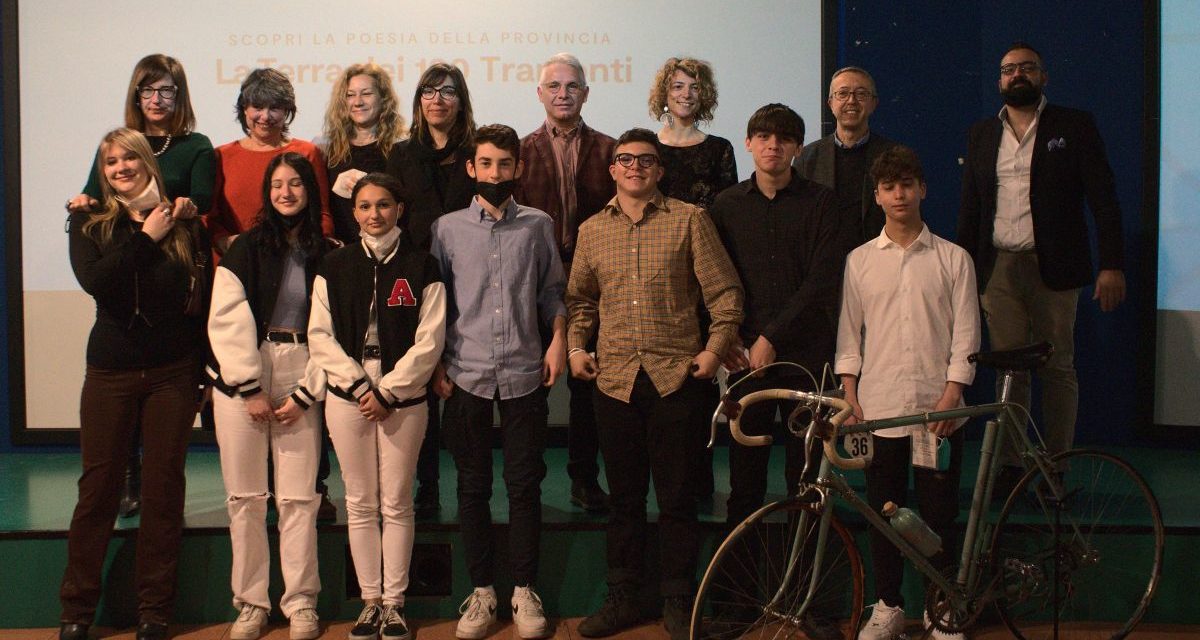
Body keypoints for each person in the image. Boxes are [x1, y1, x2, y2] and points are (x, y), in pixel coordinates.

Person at [568, 129, 744, 640]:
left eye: (647, 160)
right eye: (626, 160)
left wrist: (714, 351)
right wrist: (578, 348)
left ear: (661, 170)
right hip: (616, 383)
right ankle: (624, 597)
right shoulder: (592, 230)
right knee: (623, 500)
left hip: (678, 381)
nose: (636, 168)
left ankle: (678, 601)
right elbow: (580, 301)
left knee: (676, 499)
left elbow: (725, 293)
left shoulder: (691, 220)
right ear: (613, 169)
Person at [60, 128, 210, 640]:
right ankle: (76, 613)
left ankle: (154, 611)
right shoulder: (87, 221)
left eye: (128, 158)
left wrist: (203, 373)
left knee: (164, 492)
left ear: (148, 161)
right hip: (110, 372)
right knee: (98, 492)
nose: (120, 168)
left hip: (173, 373)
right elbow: (102, 284)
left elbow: (200, 305)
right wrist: (147, 238)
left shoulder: (185, 223)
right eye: (110, 163)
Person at [958, 42, 1125, 491]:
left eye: (1026, 68)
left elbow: (1104, 198)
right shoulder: (981, 134)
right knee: (1010, 371)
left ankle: (1056, 467)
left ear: (1043, 77)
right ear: (999, 81)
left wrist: (1112, 264)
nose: (1017, 75)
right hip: (998, 268)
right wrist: (963, 271)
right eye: (1009, 69)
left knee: (1057, 368)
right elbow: (971, 208)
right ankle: (1011, 466)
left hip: (1056, 266)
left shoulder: (1073, 125)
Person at [706, 103, 844, 640]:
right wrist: (735, 340)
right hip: (744, 362)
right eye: (763, 137)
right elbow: (714, 278)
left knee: (806, 482)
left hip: (805, 358)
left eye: (785, 139)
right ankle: (738, 601)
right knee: (743, 486)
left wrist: (770, 338)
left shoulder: (823, 204)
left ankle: (807, 602)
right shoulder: (724, 205)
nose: (773, 146)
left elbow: (821, 282)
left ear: (797, 148)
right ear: (747, 143)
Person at [836, 146, 980, 640]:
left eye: (907, 185)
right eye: (889, 187)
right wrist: (851, 396)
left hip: (937, 414)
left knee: (939, 515)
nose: (899, 194)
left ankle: (943, 608)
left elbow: (966, 338)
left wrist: (950, 397)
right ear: (877, 196)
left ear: (922, 189)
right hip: (877, 412)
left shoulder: (954, 259)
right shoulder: (858, 262)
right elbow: (848, 337)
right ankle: (889, 606)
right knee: (884, 514)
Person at [65, 53, 215, 520]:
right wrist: (82, 205)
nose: (156, 99)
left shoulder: (195, 145)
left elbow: (202, 201)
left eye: (166, 90)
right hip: (125, 285)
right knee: (101, 471)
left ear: (180, 94)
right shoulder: (116, 145)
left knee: (167, 467)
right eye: (147, 90)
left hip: (172, 267)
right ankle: (129, 480)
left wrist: (179, 214)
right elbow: (94, 197)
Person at [430, 124, 566, 640]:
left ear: (517, 168)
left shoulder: (537, 225)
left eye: (503, 164)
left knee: (525, 486)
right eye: (485, 164)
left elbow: (552, 292)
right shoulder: (446, 229)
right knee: (471, 487)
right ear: (471, 168)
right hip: (465, 373)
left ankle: (524, 589)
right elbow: (436, 304)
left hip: (525, 371)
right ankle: (483, 591)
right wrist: (438, 362)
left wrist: (558, 340)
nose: (494, 173)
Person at [308, 172, 446, 640]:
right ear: (354, 212)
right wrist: (357, 385)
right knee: (361, 502)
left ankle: (395, 604)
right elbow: (320, 336)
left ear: (400, 209)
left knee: (397, 501)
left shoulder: (423, 265)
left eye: (383, 205)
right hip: (348, 399)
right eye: (365, 206)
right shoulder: (333, 265)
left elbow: (430, 340)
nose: (374, 214)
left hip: (402, 401)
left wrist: (387, 390)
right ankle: (369, 602)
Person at [208, 153, 337, 640]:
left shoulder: (328, 251)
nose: (286, 192)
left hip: (303, 370)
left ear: (310, 190)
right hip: (244, 377)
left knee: (299, 499)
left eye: (296, 184)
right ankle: (251, 604)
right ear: (267, 192)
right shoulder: (244, 248)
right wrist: (249, 387)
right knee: (245, 497)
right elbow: (226, 318)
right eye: (277, 185)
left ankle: (301, 602)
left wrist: (307, 391)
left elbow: (333, 331)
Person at [513, 52, 616, 513]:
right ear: (539, 94)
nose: (563, 94)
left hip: (594, 284)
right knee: (531, 385)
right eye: (553, 86)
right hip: (534, 281)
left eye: (572, 86)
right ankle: (529, 482)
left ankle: (584, 479)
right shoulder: (518, 151)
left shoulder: (613, 151)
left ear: (586, 94)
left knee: (586, 385)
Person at [385, 63, 477, 516]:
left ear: (461, 100)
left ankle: (466, 485)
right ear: (418, 99)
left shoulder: (477, 152)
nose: (438, 98)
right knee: (421, 379)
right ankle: (426, 483)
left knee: (458, 385)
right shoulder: (401, 154)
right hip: (417, 278)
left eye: (448, 90)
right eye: (429, 90)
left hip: (472, 278)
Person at [649, 56, 739, 502]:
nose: (686, 94)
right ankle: (665, 483)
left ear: (705, 95)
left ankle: (699, 481)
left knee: (700, 379)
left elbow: (728, 218)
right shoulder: (646, 147)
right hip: (657, 276)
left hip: (704, 274)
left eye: (694, 87)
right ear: (664, 92)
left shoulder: (720, 148)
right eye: (678, 86)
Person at [209, 68, 334, 255]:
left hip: (295, 260)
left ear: (287, 111)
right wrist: (225, 241)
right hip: (233, 263)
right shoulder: (221, 156)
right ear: (244, 109)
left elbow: (322, 213)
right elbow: (209, 217)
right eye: (258, 107)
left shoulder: (307, 153)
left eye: (274, 108)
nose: (265, 117)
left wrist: (311, 247)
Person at [795, 66, 898, 250]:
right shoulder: (807, 157)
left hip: (880, 260)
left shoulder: (894, 155)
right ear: (830, 103)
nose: (851, 101)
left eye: (860, 94)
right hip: (825, 262)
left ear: (874, 103)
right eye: (842, 93)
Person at [322, 63, 407, 245]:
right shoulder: (328, 148)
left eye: (366, 94)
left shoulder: (401, 146)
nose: (358, 102)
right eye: (350, 95)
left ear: (383, 98)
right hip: (342, 252)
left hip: (390, 249)